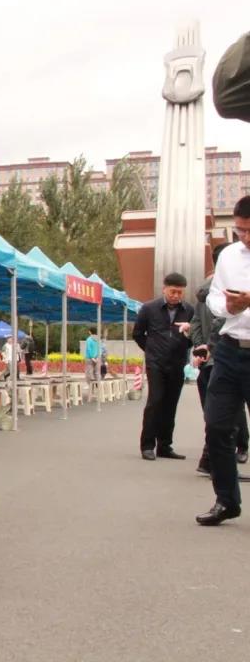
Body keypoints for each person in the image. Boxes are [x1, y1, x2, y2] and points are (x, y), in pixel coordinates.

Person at [197, 196, 250, 525]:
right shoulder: (229, 256)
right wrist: (227, 307)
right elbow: (213, 297)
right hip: (230, 350)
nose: (245, 237)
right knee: (216, 426)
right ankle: (226, 500)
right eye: (241, 230)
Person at [192, 243, 250, 477]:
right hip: (223, 353)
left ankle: (218, 459)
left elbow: (198, 323)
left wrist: (202, 347)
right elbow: (216, 321)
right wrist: (208, 346)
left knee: (220, 417)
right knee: (225, 417)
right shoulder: (222, 290)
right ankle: (227, 458)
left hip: (215, 354)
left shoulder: (207, 291)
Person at [133, 272, 193, 461]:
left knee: (170, 404)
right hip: (156, 363)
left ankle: (165, 445)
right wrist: (151, 350)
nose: (176, 295)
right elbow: (137, 334)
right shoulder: (149, 308)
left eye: (180, 292)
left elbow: (194, 335)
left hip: (177, 363)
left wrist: (187, 340)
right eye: (173, 291)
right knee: (155, 401)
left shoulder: (189, 310)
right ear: (164, 289)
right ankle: (147, 445)